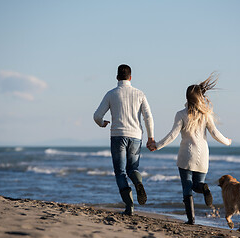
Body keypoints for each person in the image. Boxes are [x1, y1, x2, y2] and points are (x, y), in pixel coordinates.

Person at [149, 73, 232, 224]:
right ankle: (204, 188)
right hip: (203, 157)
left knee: (187, 187)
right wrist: (227, 142)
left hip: (186, 156)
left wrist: (157, 145)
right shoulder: (206, 115)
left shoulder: (181, 114)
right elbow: (215, 133)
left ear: (187, 97)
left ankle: (191, 219)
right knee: (197, 185)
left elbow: (172, 135)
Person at [93, 64, 155, 215]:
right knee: (132, 169)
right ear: (130, 77)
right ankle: (138, 182)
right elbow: (148, 117)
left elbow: (97, 116)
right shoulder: (140, 94)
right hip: (135, 136)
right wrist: (150, 136)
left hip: (118, 135)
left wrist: (102, 123)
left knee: (120, 172)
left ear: (117, 77)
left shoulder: (111, 94)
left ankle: (130, 206)